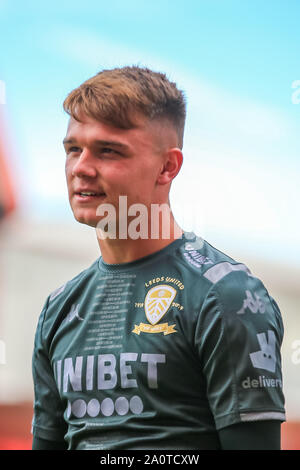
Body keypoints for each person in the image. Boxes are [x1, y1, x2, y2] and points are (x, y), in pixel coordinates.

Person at [31, 66, 285, 450]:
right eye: (72, 149)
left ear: (168, 166)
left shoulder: (225, 295)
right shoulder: (59, 307)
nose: (80, 168)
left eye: (108, 151)